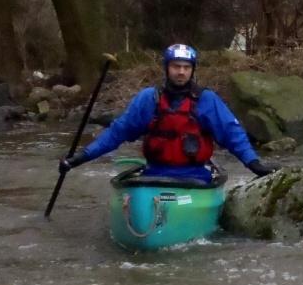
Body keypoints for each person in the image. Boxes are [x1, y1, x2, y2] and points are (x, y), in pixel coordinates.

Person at [59, 43, 275, 182]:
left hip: (195, 177)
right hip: (155, 175)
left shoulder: (206, 100)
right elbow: (117, 133)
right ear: (167, 68)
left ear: (192, 70)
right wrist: (79, 158)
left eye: (186, 67)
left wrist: (254, 164)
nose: (181, 72)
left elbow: (231, 133)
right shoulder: (148, 99)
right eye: (176, 66)